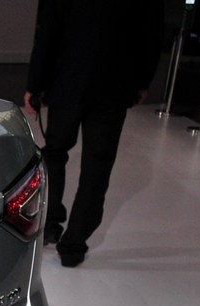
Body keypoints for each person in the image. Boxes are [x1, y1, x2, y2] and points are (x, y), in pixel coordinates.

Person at [24, 0, 164, 267]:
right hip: (114, 84)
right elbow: (151, 33)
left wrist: (35, 83)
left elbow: (48, 30)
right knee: (97, 166)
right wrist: (142, 80)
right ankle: (73, 245)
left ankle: (50, 222)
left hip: (67, 80)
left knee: (55, 152)